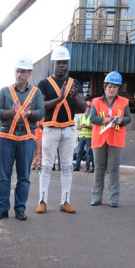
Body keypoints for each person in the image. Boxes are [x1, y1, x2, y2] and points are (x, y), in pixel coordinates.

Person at [0, 55, 45, 220]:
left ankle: (20, 209)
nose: (19, 75)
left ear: (29, 73)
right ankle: (2, 208)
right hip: (7, 136)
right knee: (3, 175)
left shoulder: (36, 93)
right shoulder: (4, 91)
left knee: (24, 176)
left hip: (27, 137)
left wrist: (31, 114)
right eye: (17, 71)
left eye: (23, 72)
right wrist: (11, 112)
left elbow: (41, 113)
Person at [36, 45, 84, 214]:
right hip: (51, 129)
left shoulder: (75, 84)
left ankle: (65, 201)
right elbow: (41, 106)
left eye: (65, 63)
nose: (62, 66)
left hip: (69, 129)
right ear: (53, 64)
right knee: (47, 166)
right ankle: (42, 201)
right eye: (59, 63)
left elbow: (83, 107)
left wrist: (74, 96)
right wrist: (60, 98)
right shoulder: (44, 84)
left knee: (67, 166)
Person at [88, 71, 130, 207]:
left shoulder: (124, 102)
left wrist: (121, 121)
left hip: (116, 139)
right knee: (99, 168)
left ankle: (113, 199)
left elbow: (128, 118)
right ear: (105, 87)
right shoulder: (96, 101)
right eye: (109, 86)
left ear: (118, 88)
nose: (112, 89)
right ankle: (96, 197)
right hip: (99, 139)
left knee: (113, 168)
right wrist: (108, 120)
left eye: (115, 87)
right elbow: (92, 118)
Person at [72, 107, 94, 172]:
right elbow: (77, 127)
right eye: (86, 108)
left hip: (89, 137)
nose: (87, 109)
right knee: (79, 152)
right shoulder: (81, 117)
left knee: (88, 152)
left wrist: (87, 126)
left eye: (89, 108)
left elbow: (93, 126)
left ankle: (87, 167)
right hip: (81, 137)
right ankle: (77, 166)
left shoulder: (92, 117)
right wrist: (82, 126)